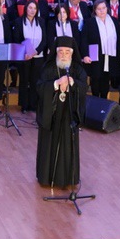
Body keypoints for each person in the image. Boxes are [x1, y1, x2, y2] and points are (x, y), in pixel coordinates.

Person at [36, 36, 87, 188]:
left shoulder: (77, 69)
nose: (64, 55)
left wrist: (72, 82)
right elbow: (39, 87)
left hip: (69, 114)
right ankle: (47, 178)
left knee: (68, 144)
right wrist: (56, 84)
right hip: (51, 114)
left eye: (67, 52)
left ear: (72, 53)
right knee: (49, 144)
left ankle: (68, 178)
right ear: (56, 52)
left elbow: (84, 88)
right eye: (61, 52)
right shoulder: (48, 68)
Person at [82, 0, 120, 99]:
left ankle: (104, 101)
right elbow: (84, 40)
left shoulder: (114, 21)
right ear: (95, 10)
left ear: (107, 8)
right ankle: (96, 101)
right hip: (95, 55)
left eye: (103, 8)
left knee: (106, 79)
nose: (102, 11)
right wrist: (85, 55)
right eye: (99, 9)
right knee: (95, 79)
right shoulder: (90, 22)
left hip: (110, 55)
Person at [13, 0, 47, 112]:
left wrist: (36, 51)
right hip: (24, 56)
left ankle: (33, 104)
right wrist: (26, 52)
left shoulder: (41, 21)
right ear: (26, 9)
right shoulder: (19, 21)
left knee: (35, 81)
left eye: (35, 8)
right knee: (24, 80)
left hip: (38, 56)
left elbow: (44, 40)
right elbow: (16, 39)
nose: (32, 10)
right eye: (30, 8)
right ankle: (24, 105)